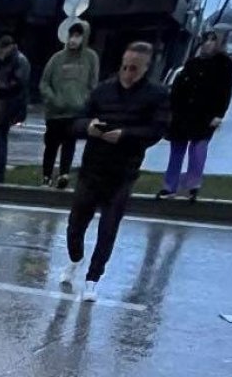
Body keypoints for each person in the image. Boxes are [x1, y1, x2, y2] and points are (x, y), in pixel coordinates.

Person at [60, 42, 169, 302]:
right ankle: (75, 258)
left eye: (134, 68)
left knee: (108, 229)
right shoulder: (103, 91)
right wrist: (90, 126)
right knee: (76, 223)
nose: (128, 73)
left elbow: (156, 130)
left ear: (145, 69)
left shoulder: (155, 96)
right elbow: (77, 121)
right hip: (92, 168)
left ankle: (93, 278)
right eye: (125, 67)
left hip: (123, 171)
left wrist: (125, 135)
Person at [161, 31, 232, 202]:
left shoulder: (224, 64)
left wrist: (219, 114)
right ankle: (169, 186)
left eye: (212, 40)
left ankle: (192, 185)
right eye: (206, 40)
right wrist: (171, 109)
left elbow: (225, 91)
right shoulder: (193, 63)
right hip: (183, 112)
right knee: (177, 149)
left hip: (205, 113)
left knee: (198, 148)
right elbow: (179, 87)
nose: (208, 43)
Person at [38, 21, 100, 189]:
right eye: (71, 35)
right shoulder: (57, 58)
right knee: (51, 145)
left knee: (69, 144)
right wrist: (54, 99)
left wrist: (86, 102)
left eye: (78, 36)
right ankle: (46, 176)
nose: (73, 39)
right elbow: (44, 83)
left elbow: (93, 83)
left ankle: (64, 174)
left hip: (76, 112)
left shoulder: (90, 58)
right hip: (55, 113)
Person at [0, 35, 30, 183]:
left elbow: (18, 84)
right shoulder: (3, 61)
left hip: (8, 104)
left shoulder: (19, 61)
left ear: (8, 48)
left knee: (0, 137)